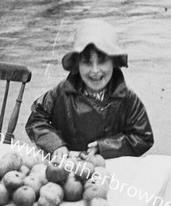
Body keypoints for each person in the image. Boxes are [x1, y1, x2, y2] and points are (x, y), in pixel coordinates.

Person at [25, 18, 153, 161]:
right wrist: (55, 145)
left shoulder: (127, 98)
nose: (95, 70)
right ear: (77, 64)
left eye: (102, 61)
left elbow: (143, 137)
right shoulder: (62, 92)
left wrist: (104, 147)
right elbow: (35, 120)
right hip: (67, 165)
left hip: (110, 170)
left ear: (114, 62)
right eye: (87, 62)